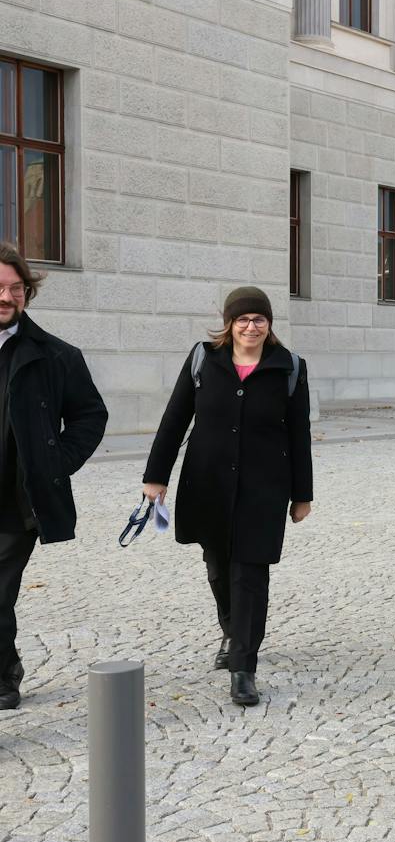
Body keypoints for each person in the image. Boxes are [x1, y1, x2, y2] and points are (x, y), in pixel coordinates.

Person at [142, 287, 311, 707]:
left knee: (250, 573)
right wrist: (155, 476)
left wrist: (302, 494)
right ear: (229, 323)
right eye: (243, 319)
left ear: (269, 324)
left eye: (259, 319)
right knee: (217, 566)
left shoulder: (288, 367)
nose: (251, 327)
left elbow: (299, 433)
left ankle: (243, 668)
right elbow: (175, 417)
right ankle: (233, 630)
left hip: (264, 487)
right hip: (208, 482)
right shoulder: (204, 359)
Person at [0, 245, 108, 712]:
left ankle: (2, 677)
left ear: (27, 292)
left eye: (14, 288)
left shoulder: (56, 355)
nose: (6, 296)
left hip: (15, 504)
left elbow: (90, 415)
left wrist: (54, 462)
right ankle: (7, 665)